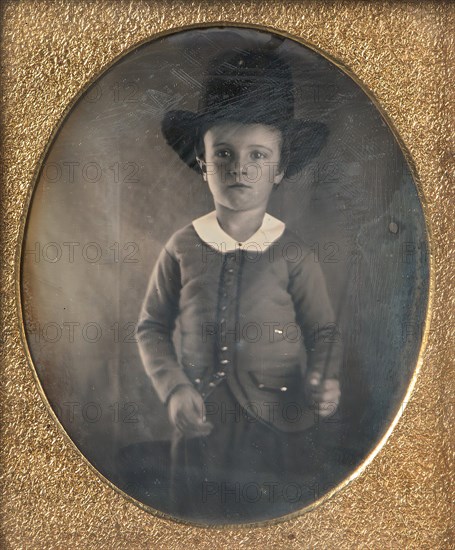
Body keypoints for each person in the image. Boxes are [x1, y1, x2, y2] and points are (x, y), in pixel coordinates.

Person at [137, 42, 342, 524]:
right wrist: (174, 390)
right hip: (201, 428)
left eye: (258, 154)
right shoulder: (182, 247)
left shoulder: (293, 253)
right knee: (197, 520)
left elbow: (324, 332)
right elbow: (150, 328)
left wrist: (325, 378)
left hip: (278, 428)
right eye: (223, 153)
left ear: (281, 168)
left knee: (274, 520)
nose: (239, 167)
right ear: (203, 162)